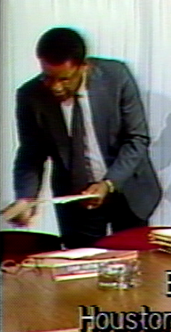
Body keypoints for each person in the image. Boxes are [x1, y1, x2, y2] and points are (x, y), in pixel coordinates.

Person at [11, 27, 162, 248]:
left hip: (128, 190)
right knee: (82, 273)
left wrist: (108, 184)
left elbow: (136, 139)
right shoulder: (30, 95)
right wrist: (26, 198)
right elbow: (30, 155)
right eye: (48, 77)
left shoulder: (116, 77)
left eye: (64, 79)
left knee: (136, 266)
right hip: (75, 200)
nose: (55, 87)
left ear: (84, 66)